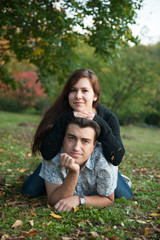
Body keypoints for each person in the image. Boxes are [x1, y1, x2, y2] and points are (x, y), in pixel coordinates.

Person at [22, 69, 133, 199]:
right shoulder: (59, 113)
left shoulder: (108, 118)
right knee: (29, 191)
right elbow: (47, 153)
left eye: (84, 91)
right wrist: (65, 119)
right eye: (73, 90)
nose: (78, 96)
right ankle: (52, 179)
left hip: (97, 167)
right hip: (61, 162)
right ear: (67, 94)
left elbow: (117, 158)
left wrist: (100, 122)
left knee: (125, 196)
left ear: (95, 95)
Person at [40, 117, 118, 212]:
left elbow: (109, 199)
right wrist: (73, 172)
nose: (76, 147)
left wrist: (79, 200)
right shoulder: (52, 155)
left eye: (85, 141)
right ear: (63, 139)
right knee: (30, 189)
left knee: (124, 194)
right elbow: (54, 201)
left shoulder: (104, 160)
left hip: (107, 170)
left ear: (94, 145)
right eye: (71, 138)